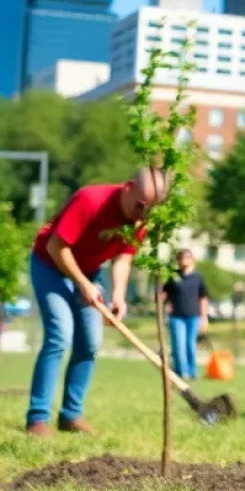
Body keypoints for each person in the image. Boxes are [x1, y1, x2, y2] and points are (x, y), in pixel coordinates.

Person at [25, 168, 168, 436]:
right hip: (50, 264)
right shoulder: (90, 200)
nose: (144, 213)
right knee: (60, 335)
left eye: (151, 209)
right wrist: (82, 283)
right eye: (141, 205)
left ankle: (70, 416)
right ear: (128, 187)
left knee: (90, 343)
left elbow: (124, 257)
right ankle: (37, 419)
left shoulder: (139, 221)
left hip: (89, 272)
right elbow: (57, 247)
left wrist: (118, 296)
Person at [163, 248, 208, 380]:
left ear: (192, 260)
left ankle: (192, 371)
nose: (185, 260)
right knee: (179, 345)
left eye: (188, 257)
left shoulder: (197, 277)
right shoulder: (173, 276)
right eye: (182, 257)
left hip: (193, 316)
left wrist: (204, 317)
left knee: (190, 344)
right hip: (176, 316)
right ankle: (181, 372)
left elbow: (203, 298)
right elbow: (163, 294)